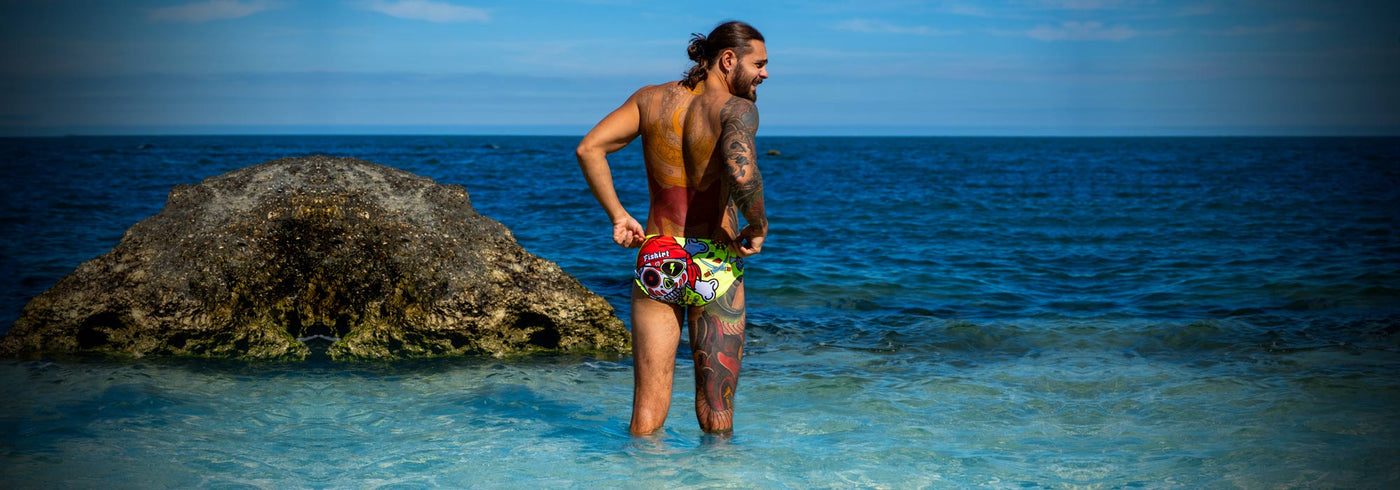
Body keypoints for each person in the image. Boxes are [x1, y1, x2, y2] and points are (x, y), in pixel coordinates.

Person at [576, 20, 769, 435]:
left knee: (646, 412)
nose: (765, 74)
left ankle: (640, 469)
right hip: (713, 258)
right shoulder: (736, 109)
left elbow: (589, 148)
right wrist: (757, 224)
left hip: (658, 253)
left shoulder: (650, 99)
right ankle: (715, 471)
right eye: (759, 64)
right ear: (728, 59)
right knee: (716, 411)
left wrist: (618, 215)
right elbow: (742, 173)